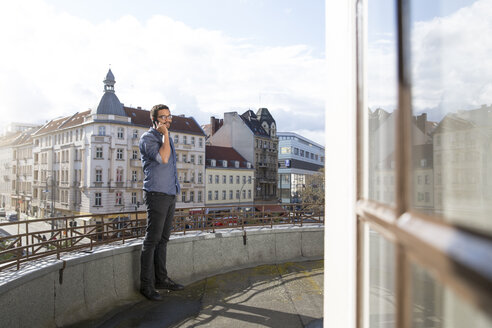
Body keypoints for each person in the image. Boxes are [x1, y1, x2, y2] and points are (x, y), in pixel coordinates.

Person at [138, 104, 184, 301]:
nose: (167, 120)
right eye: (163, 117)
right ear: (155, 120)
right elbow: (164, 159)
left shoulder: (166, 138)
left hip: (170, 193)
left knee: (164, 239)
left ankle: (161, 279)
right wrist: (165, 134)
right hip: (156, 194)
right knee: (152, 240)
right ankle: (146, 286)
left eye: (169, 116)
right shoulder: (148, 138)